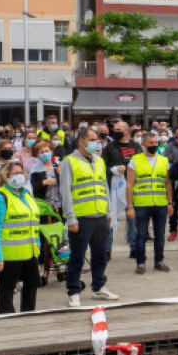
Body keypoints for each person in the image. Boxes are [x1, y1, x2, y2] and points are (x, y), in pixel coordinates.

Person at [60, 127, 118, 307]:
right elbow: (66, 192)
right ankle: (74, 290)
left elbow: (104, 187)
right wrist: (71, 218)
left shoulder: (99, 161)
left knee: (100, 255)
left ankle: (99, 287)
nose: (97, 142)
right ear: (81, 141)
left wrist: (108, 212)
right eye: (93, 139)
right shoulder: (69, 162)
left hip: (100, 215)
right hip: (81, 217)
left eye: (97, 139)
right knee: (77, 256)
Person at [0, 162, 40, 314]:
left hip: (29, 252)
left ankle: (28, 316)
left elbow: (33, 222)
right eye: (14, 173)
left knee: (32, 283)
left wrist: (38, 243)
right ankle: (7, 318)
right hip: (9, 254)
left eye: (21, 172)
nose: (19, 175)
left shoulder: (27, 195)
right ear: (5, 176)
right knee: (7, 288)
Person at [126, 132, 173, 275]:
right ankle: (140, 262)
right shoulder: (135, 160)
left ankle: (159, 261)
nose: (154, 145)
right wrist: (130, 206)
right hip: (141, 204)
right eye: (150, 142)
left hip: (160, 204)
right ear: (143, 144)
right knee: (141, 235)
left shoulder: (164, 160)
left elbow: (168, 183)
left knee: (160, 235)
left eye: (155, 142)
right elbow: (129, 184)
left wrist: (170, 202)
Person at [103, 120, 142, 261]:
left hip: (132, 186)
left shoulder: (136, 147)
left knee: (132, 218)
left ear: (126, 131)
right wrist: (113, 170)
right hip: (114, 187)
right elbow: (102, 167)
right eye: (114, 129)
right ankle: (107, 250)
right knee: (111, 218)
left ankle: (134, 248)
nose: (115, 131)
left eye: (119, 129)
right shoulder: (109, 148)